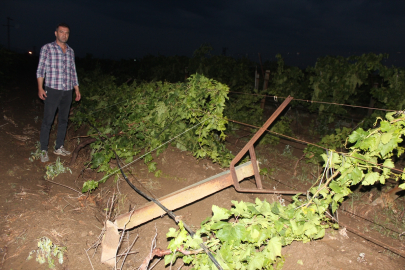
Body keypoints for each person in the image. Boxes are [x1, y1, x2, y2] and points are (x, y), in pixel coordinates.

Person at [37, 23, 81, 162]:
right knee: (48, 121)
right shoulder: (47, 48)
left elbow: (73, 71)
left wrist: (77, 89)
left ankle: (59, 147)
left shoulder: (70, 51)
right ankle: (43, 149)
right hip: (53, 89)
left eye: (67, 33)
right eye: (61, 32)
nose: (64, 35)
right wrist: (40, 87)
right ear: (56, 33)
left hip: (67, 91)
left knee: (63, 120)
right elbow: (40, 69)